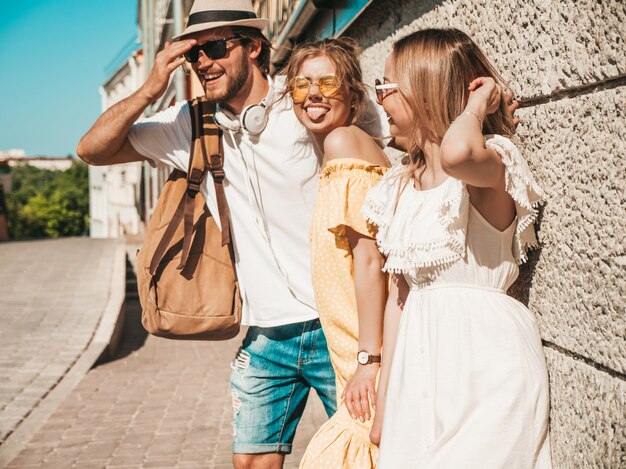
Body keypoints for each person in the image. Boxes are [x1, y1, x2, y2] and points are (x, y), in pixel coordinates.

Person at [76, 1, 344, 468]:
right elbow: (91, 151)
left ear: (254, 47)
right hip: (265, 334)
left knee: (369, 452)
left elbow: (394, 131)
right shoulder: (191, 123)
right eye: (194, 53)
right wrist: (149, 89)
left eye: (215, 47)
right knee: (251, 463)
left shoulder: (303, 101)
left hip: (339, 324)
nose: (203, 62)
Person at [364, 28, 552, 467]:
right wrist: (386, 398)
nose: (378, 99)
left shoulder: (489, 161)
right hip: (419, 372)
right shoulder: (400, 187)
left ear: (425, 92)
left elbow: (456, 155)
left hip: (486, 366)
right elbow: (399, 299)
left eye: (387, 87)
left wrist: (473, 106)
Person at [283, 38, 389, 468]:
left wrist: (369, 360)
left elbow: (369, 260)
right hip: (351, 348)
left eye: (328, 83)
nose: (313, 94)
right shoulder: (340, 148)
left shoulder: (344, 142)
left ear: (354, 95)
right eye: (301, 84)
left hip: (366, 352)